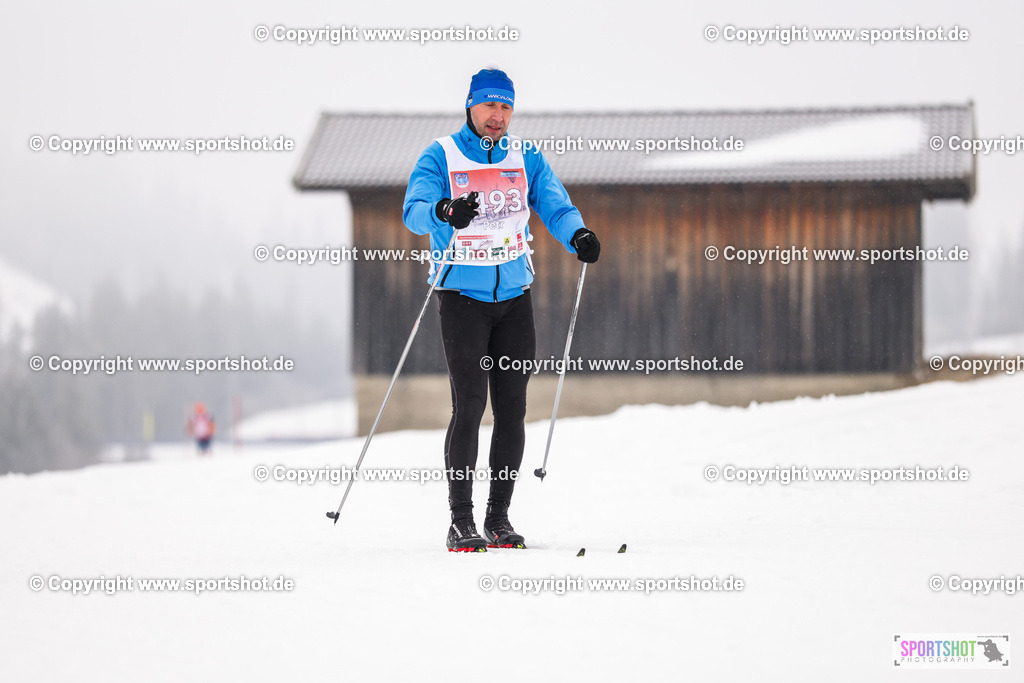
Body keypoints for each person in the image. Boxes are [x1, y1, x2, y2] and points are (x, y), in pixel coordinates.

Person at [403, 68, 601, 552]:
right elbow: (414, 210)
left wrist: (577, 234)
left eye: (506, 107)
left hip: (515, 298)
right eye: (490, 106)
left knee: (512, 410)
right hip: (461, 298)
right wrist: (446, 211)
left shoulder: (526, 157)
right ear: (470, 106)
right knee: (469, 405)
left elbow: (554, 203)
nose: (498, 116)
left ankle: (498, 518)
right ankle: (460, 520)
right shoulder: (441, 154)